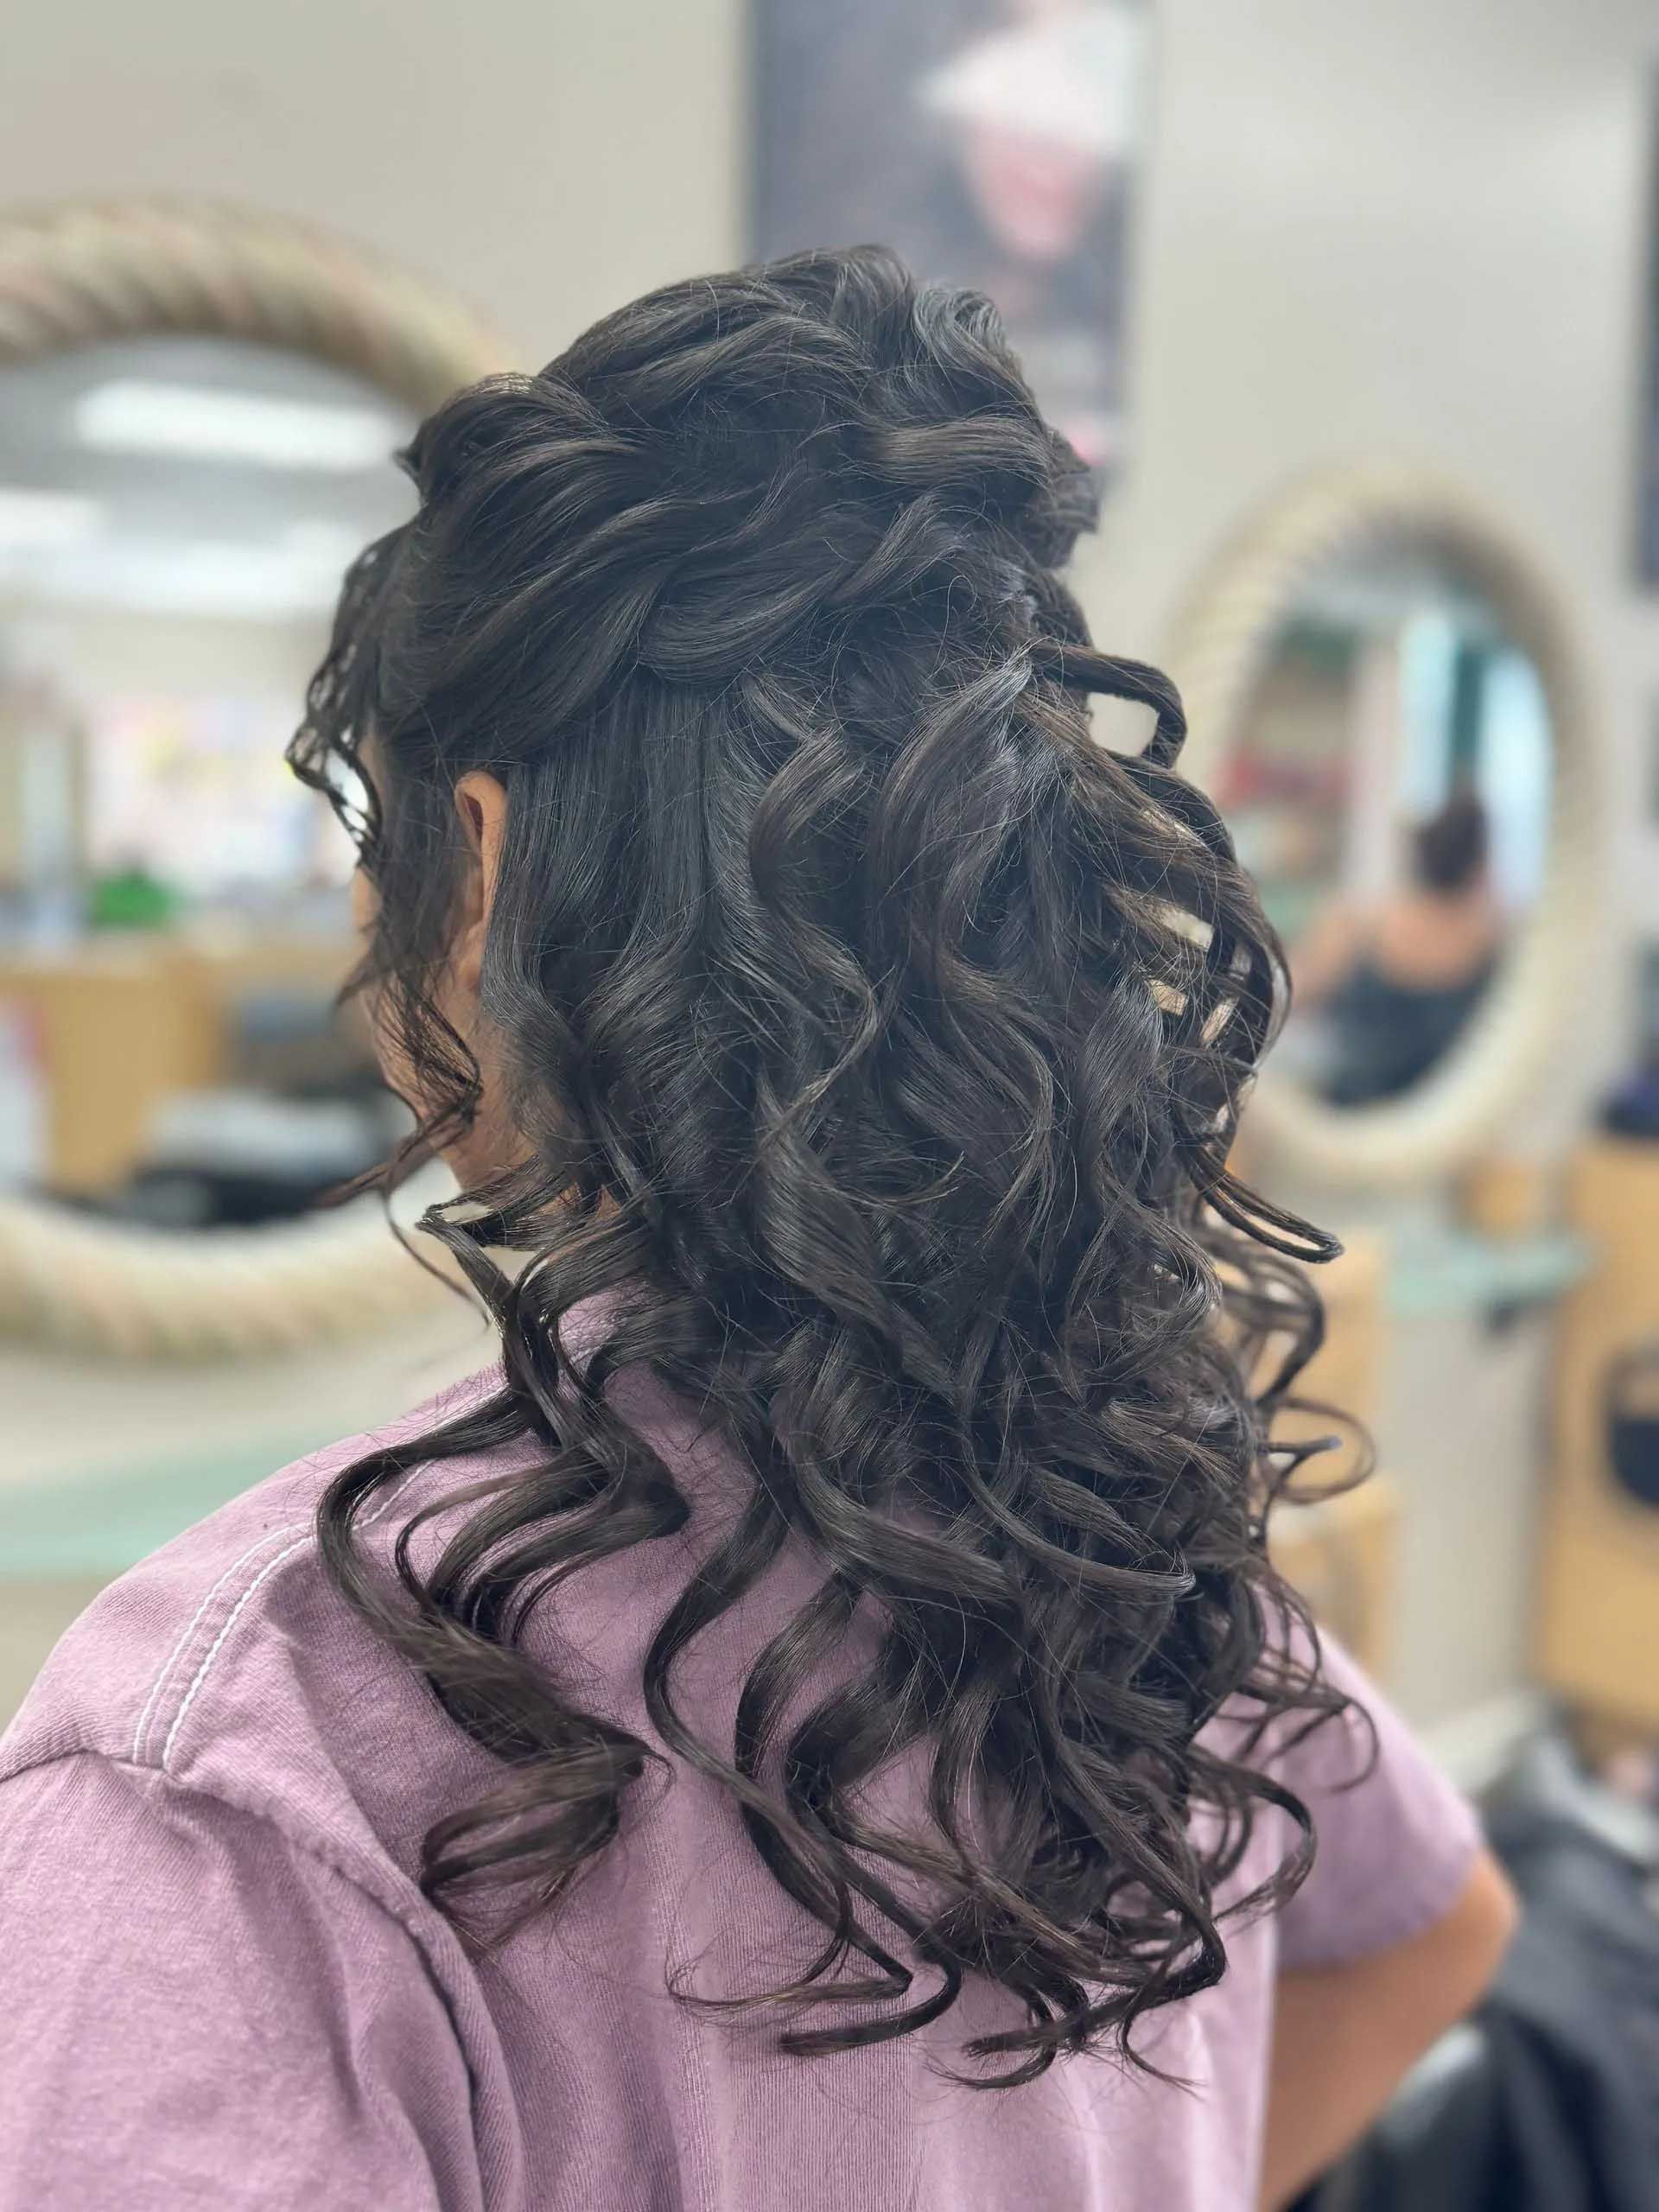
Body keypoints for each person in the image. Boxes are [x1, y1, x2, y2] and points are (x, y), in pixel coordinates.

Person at [0, 249, 1513, 2211]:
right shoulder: (1095, 1512)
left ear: (478, 870)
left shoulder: (241, 1773)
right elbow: (1430, 1932)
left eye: (374, 845)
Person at [1293, 789, 1504, 1108]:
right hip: (1444, 1118)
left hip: (1353, 1114)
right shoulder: (1488, 940)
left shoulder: (1359, 923)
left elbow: (1292, 997)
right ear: (1479, 864)